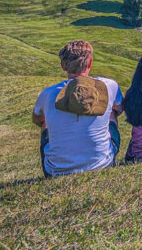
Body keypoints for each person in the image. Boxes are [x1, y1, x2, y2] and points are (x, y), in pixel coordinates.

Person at [33, 40, 123, 177]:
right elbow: (119, 108)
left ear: (63, 66)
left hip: (55, 171)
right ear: (90, 63)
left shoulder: (47, 94)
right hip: (102, 164)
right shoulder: (110, 86)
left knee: (45, 121)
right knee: (111, 112)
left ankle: (62, 158)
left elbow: (37, 119)